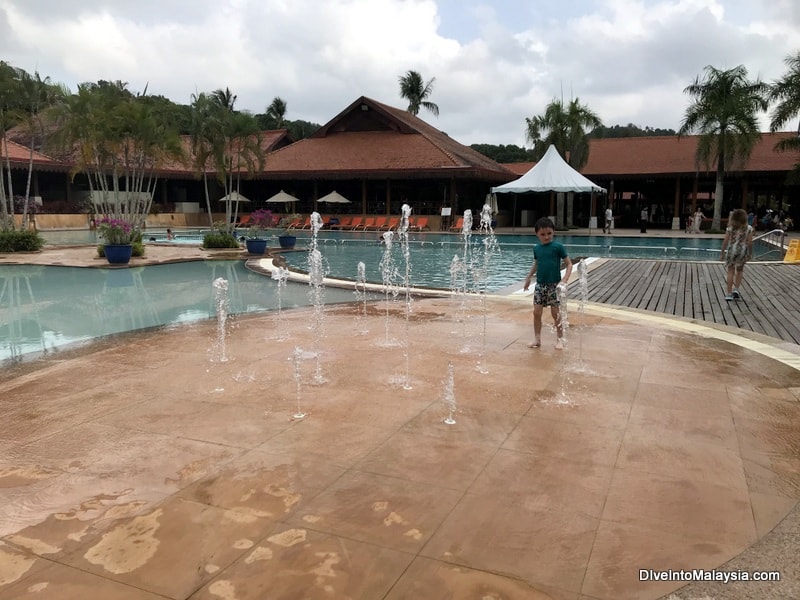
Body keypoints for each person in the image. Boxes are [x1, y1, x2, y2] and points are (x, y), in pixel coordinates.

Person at [523, 217, 573, 350]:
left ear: (553, 232)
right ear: (537, 234)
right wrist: (528, 278)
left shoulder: (558, 247)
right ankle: (537, 339)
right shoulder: (537, 249)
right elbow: (536, 264)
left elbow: (569, 264)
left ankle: (560, 339)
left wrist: (564, 280)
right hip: (540, 285)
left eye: (549, 233)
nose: (546, 237)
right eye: (543, 234)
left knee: (556, 313)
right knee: (536, 312)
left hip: (554, 285)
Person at [719, 208, 753, 302]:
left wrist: (722, 253)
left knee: (730, 271)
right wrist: (750, 253)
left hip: (731, 250)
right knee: (740, 270)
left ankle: (729, 294)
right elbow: (750, 242)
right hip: (742, 250)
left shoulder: (730, 228)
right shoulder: (748, 228)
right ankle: (736, 289)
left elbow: (725, 241)